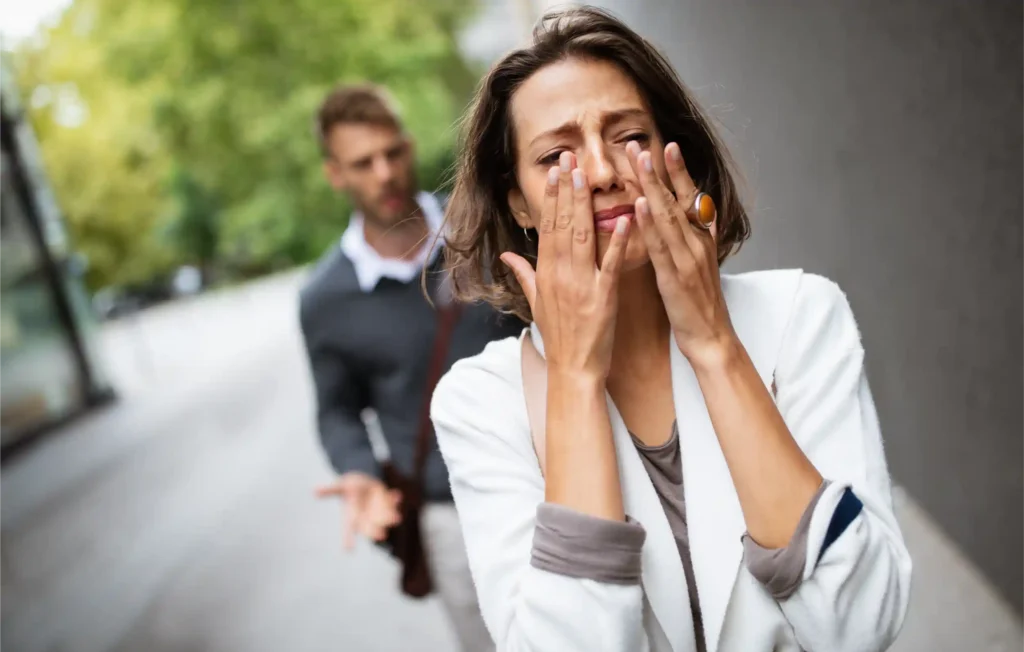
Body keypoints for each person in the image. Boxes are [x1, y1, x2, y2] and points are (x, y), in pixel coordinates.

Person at [430, 6, 912, 652]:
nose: (601, 173)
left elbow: (860, 627)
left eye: (628, 136)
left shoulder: (801, 316)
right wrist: (573, 379)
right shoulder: (480, 403)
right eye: (556, 155)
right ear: (517, 201)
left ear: (673, 152)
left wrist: (715, 347)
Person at [299, 84, 516, 652]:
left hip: (555, 470)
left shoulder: (482, 229)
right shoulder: (326, 298)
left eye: (392, 153)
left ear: (409, 146)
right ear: (335, 175)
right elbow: (338, 411)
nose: (384, 173)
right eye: (362, 163)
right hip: (449, 514)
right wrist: (360, 473)